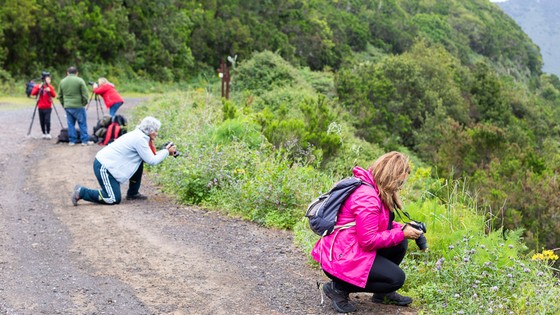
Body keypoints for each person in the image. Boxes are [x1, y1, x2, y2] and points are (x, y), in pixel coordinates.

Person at [311, 151, 423, 313]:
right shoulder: (368, 198)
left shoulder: (374, 188)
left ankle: (382, 294)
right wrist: (401, 233)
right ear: (391, 176)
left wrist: (404, 228)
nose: (400, 187)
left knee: (400, 242)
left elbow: (379, 225)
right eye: (400, 182)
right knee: (396, 279)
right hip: (340, 258)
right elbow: (368, 241)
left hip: (347, 248)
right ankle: (338, 288)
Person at [71, 116, 177, 206]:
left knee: (139, 161)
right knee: (113, 199)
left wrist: (164, 151)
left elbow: (148, 156)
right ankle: (82, 192)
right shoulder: (139, 139)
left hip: (109, 165)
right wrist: (166, 151)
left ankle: (133, 193)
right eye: (156, 131)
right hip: (104, 167)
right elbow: (152, 161)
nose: (157, 134)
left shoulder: (140, 135)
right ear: (150, 131)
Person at [58, 66, 92, 146]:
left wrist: (64, 104)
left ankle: (72, 141)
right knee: (82, 123)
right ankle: (84, 141)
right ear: (77, 73)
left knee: (70, 124)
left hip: (68, 106)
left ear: (67, 73)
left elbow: (59, 96)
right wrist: (83, 103)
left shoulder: (62, 81)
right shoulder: (80, 80)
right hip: (78, 105)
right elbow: (85, 94)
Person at [30, 74, 56, 139]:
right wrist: (39, 87)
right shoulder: (39, 86)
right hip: (40, 107)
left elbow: (54, 95)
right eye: (47, 79)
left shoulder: (50, 87)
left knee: (47, 120)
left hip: (48, 106)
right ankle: (43, 133)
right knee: (42, 120)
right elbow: (33, 93)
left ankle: (48, 133)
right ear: (44, 80)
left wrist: (50, 90)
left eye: (49, 79)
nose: (49, 80)